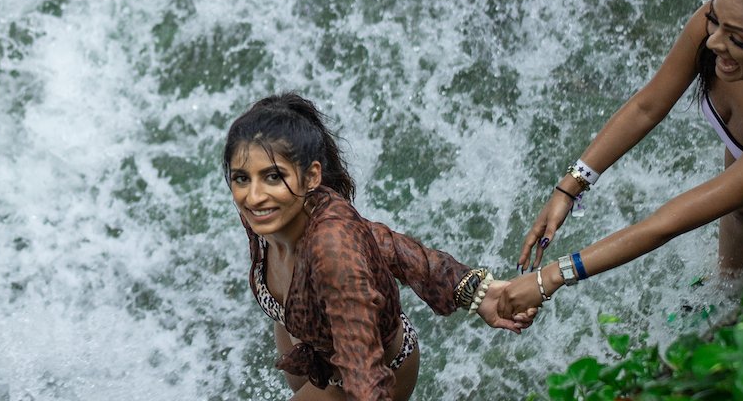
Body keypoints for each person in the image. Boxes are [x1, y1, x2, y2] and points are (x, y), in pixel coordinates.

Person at [502, 0, 743, 316]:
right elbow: (647, 107)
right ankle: (724, 290)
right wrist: (571, 185)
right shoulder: (721, 24)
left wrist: (550, 278)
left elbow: (666, 223)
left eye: (738, 40)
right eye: (714, 21)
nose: (713, 42)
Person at [225, 93, 534, 401]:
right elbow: (381, 242)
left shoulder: (333, 250)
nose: (253, 196)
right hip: (314, 357)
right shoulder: (270, 214)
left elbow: (365, 376)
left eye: (273, 177)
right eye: (241, 177)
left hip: (363, 375)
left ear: (311, 177)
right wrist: (473, 290)